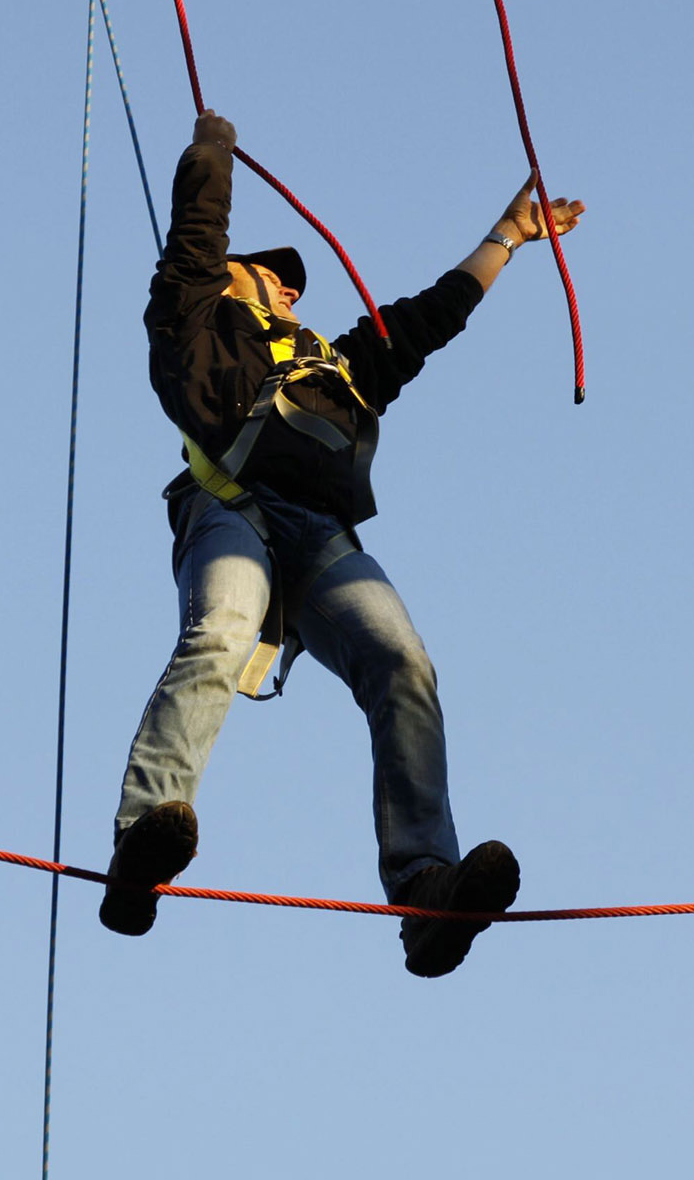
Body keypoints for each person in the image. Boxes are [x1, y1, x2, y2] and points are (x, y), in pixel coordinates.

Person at [100, 108, 586, 978]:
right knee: (220, 631)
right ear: (225, 282)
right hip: (229, 509)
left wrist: (506, 239)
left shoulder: (339, 367)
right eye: (268, 276)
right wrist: (212, 148)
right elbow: (197, 235)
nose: (287, 289)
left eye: (293, 286)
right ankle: (144, 840)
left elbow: (429, 319)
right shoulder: (192, 323)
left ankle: (426, 889)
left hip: (319, 535)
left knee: (403, 664)